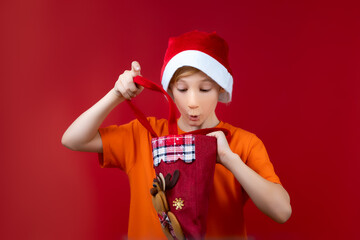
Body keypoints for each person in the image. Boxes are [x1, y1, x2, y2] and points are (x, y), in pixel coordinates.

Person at [62, 30, 292, 239]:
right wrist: (116, 94)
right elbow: (73, 139)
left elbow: (282, 211)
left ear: (221, 88)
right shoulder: (143, 134)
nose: (193, 102)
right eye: (182, 89)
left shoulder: (244, 143)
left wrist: (230, 159)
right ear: (170, 89)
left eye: (205, 89)